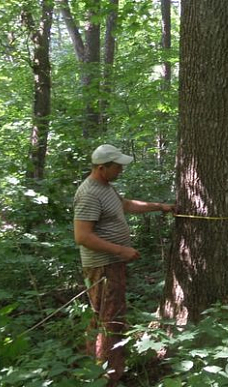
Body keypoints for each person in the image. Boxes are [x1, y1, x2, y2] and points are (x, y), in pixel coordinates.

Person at [73, 144, 174, 386]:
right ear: (101, 168)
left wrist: (159, 207)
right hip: (103, 267)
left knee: (102, 317)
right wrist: (122, 250)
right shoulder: (89, 193)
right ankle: (110, 377)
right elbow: (82, 236)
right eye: (117, 166)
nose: (121, 170)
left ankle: (96, 368)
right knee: (111, 320)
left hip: (111, 265)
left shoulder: (105, 187)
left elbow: (126, 205)